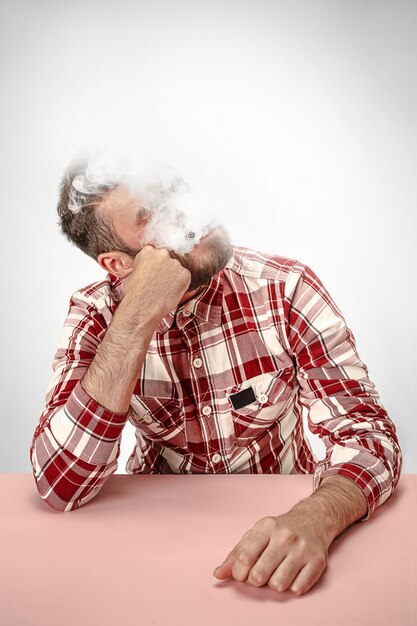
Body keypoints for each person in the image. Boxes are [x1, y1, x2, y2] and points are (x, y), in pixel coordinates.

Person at [30, 154, 402, 597]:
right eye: (150, 215)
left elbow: (369, 434)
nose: (186, 211)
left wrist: (316, 517)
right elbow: (59, 484)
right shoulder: (95, 314)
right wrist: (135, 316)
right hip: (149, 546)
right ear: (117, 265)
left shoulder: (285, 286)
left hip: (286, 516)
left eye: (175, 189)